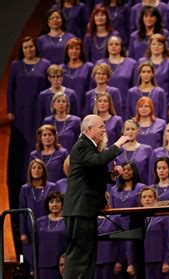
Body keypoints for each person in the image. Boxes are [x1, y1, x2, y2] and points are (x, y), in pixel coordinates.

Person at [62, 114, 130, 278]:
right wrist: (118, 144)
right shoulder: (81, 146)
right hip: (80, 210)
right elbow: (98, 161)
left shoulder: (90, 148)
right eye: (100, 126)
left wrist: (113, 175)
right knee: (79, 257)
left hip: (87, 211)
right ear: (89, 129)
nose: (104, 130)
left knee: (88, 257)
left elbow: (95, 172)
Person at [7, 36, 51, 183]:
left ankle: (40, 175)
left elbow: (48, 89)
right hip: (20, 113)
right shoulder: (16, 65)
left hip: (37, 110)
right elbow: (10, 89)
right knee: (21, 145)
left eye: (31, 46)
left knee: (36, 142)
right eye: (25, 47)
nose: (28, 50)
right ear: (22, 50)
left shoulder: (45, 64)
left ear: (35, 47)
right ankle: (23, 177)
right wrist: (10, 110)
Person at [19, 159, 57, 274]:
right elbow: (22, 211)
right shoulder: (25, 189)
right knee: (32, 260)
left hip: (47, 228)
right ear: (30, 171)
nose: (36, 170)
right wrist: (23, 233)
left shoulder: (51, 186)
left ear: (43, 171)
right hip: (30, 230)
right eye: (34, 168)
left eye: (39, 168)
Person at [135, 187, 169, 278]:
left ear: (155, 199)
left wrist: (166, 262)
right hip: (143, 261)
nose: (147, 199)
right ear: (141, 200)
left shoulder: (163, 217)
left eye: (150, 196)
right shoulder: (136, 219)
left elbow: (168, 242)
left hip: (159, 261)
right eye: (144, 197)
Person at [97, 35, 138, 115]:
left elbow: (135, 87)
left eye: (116, 44)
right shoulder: (100, 64)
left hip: (125, 106)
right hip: (104, 107)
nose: (114, 46)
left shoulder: (131, 63)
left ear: (121, 47)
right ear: (107, 47)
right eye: (111, 44)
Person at [140, 33, 169, 111]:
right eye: (154, 44)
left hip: (165, 103)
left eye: (159, 44)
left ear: (164, 46)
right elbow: (137, 84)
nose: (156, 46)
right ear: (149, 46)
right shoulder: (142, 62)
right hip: (144, 103)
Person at [36, 191, 67, 279]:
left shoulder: (68, 221)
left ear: (62, 203)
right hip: (43, 265)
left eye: (58, 201)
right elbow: (36, 244)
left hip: (61, 265)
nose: (54, 204)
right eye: (51, 202)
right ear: (47, 204)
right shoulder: (39, 222)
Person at [113, 120, 153, 185]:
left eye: (133, 129)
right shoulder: (117, 150)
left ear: (137, 131)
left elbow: (151, 173)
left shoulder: (147, 150)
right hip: (120, 190)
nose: (130, 131)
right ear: (123, 132)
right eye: (127, 129)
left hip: (142, 189)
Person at [61, 38, 94, 114]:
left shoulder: (89, 67)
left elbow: (91, 90)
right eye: (71, 48)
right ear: (67, 50)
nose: (74, 51)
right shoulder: (61, 68)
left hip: (83, 107)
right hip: (64, 108)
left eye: (77, 49)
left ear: (81, 51)